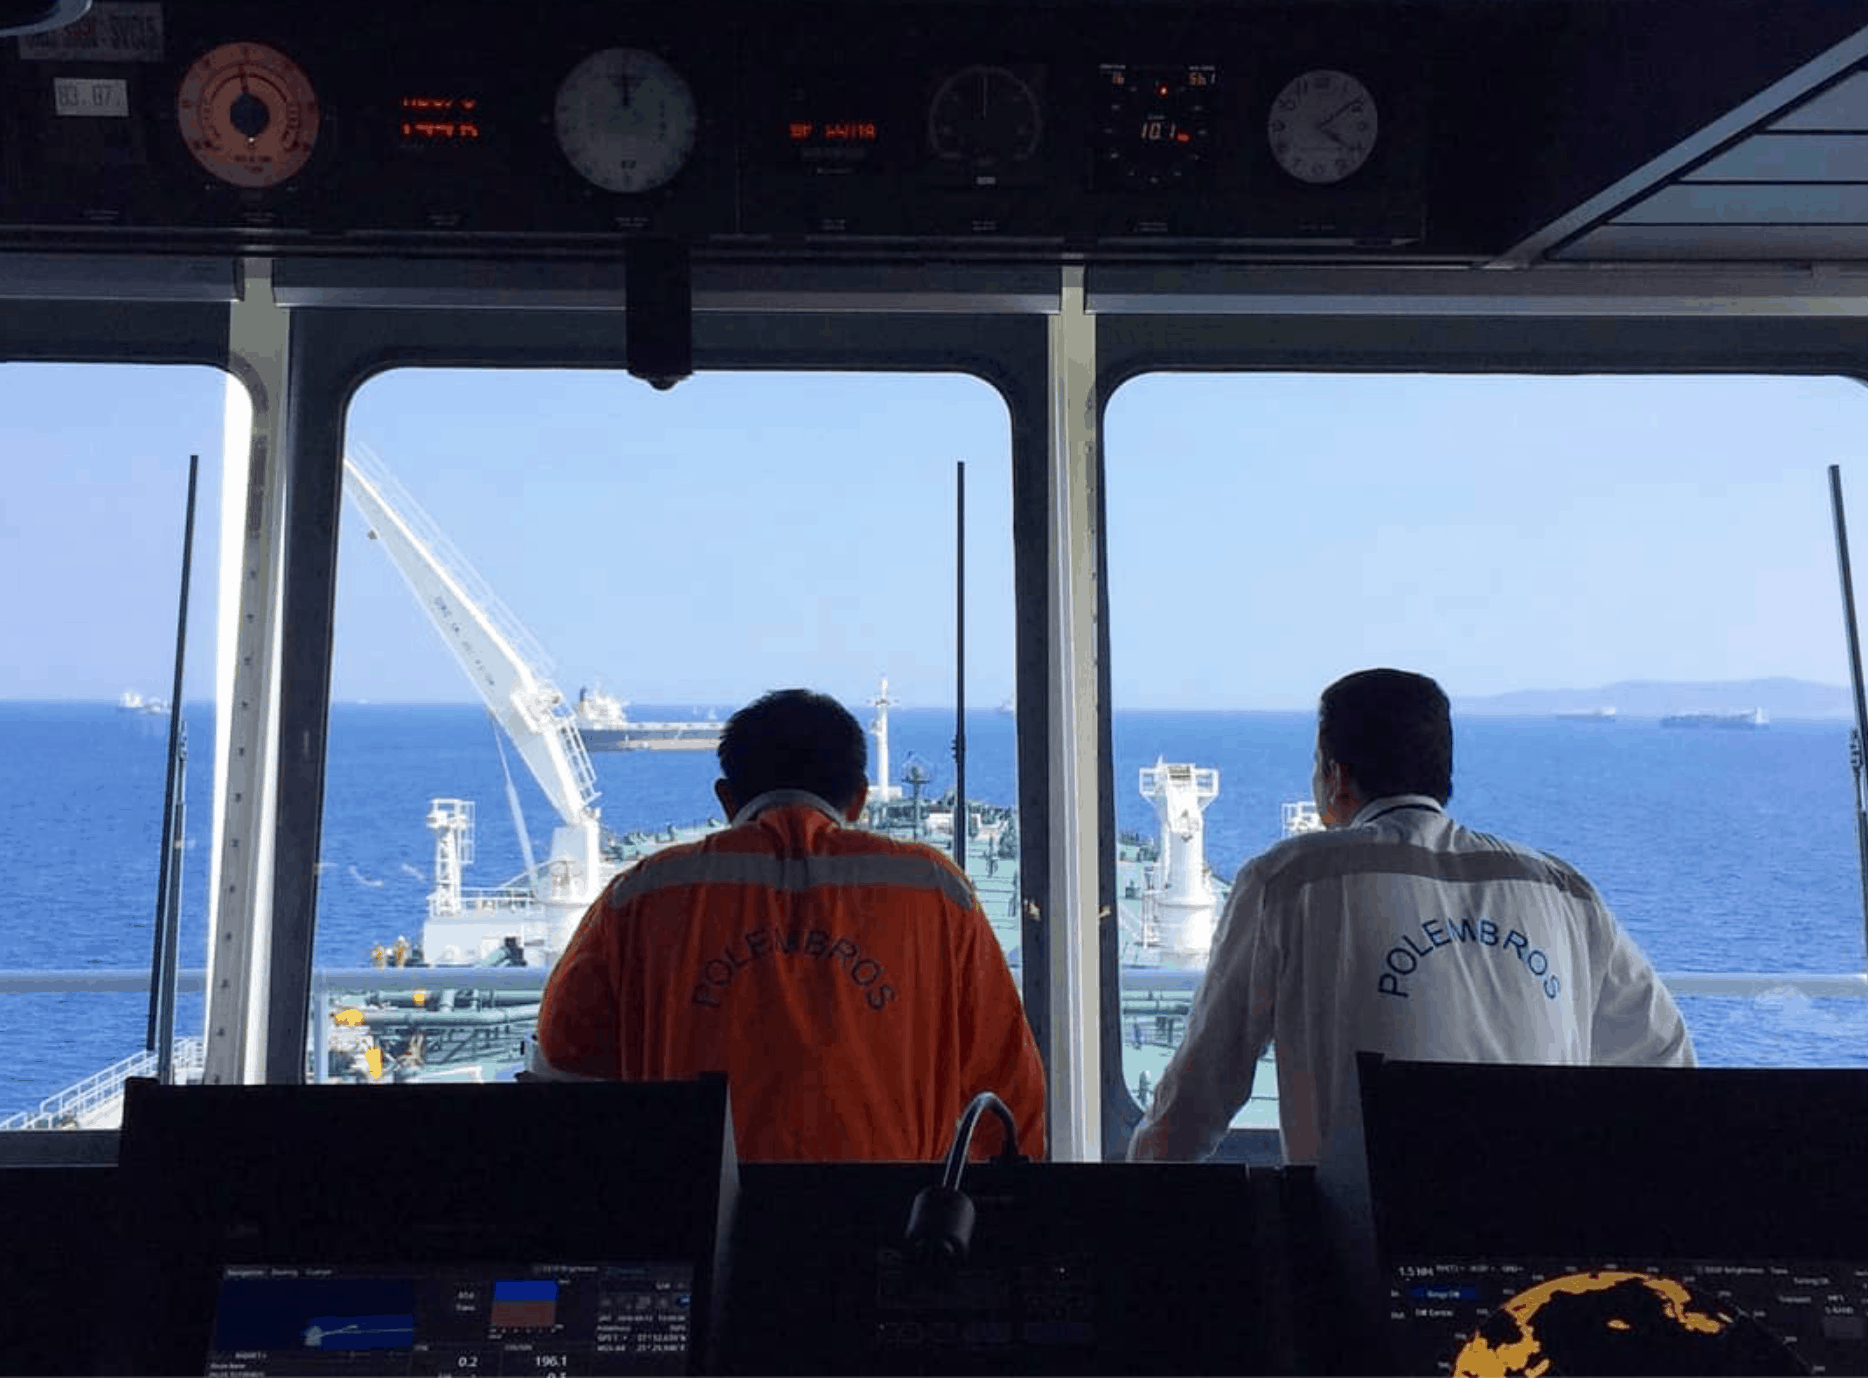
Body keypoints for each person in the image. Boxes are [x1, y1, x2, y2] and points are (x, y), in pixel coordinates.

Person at [1128, 668, 1693, 1165]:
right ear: (1441, 771)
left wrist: (1134, 1203)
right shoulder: (1563, 891)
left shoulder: (1290, 882)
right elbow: (1666, 1058)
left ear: (1334, 774)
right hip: (1540, 1252)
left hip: (1363, 1251)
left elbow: (1201, 1092)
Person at [531, 687, 1046, 1162]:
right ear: (860, 798)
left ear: (726, 798)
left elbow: (564, 1067)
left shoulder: (641, 894)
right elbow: (1007, 1087)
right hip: (891, 1230)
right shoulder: (934, 890)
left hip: (698, 1226)